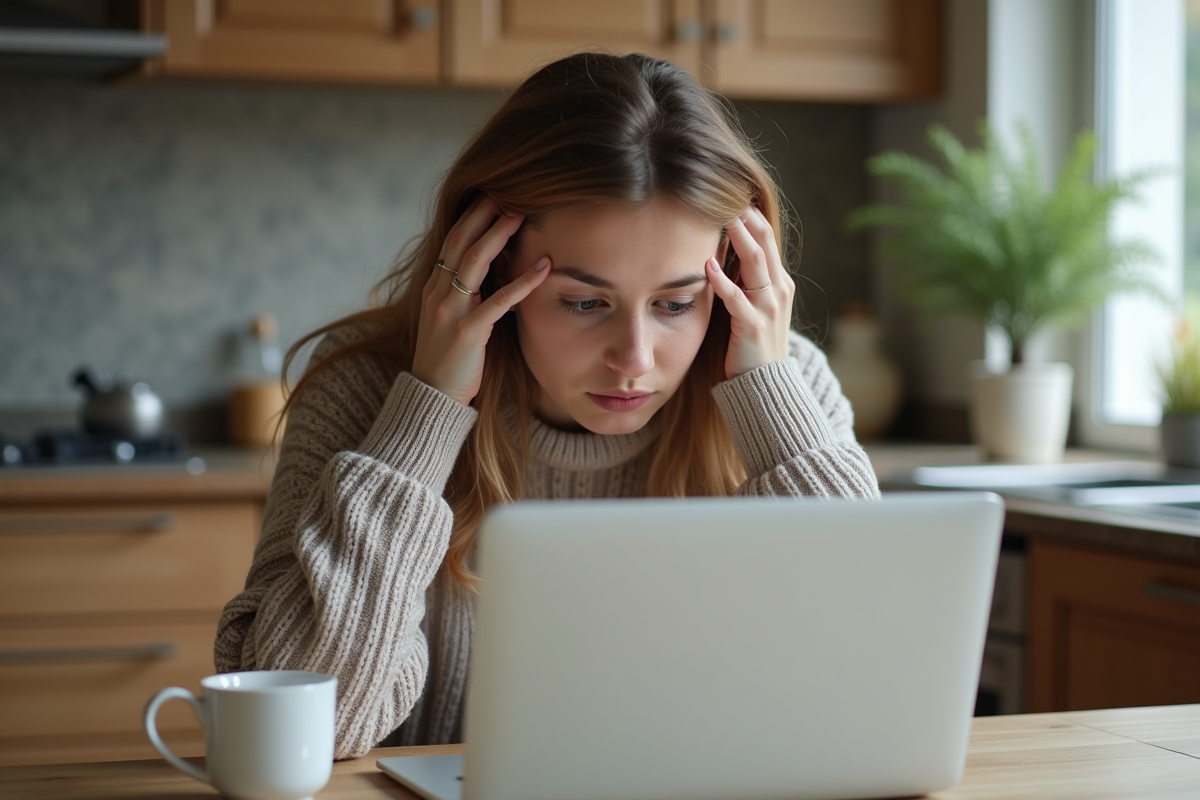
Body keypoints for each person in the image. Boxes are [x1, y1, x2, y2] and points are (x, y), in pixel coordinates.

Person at [214, 51, 880, 760]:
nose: (635, 358)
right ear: (489, 264)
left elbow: (871, 690)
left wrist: (773, 404)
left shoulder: (783, 387)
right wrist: (425, 414)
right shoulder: (368, 389)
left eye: (677, 303)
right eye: (585, 302)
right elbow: (312, 730)